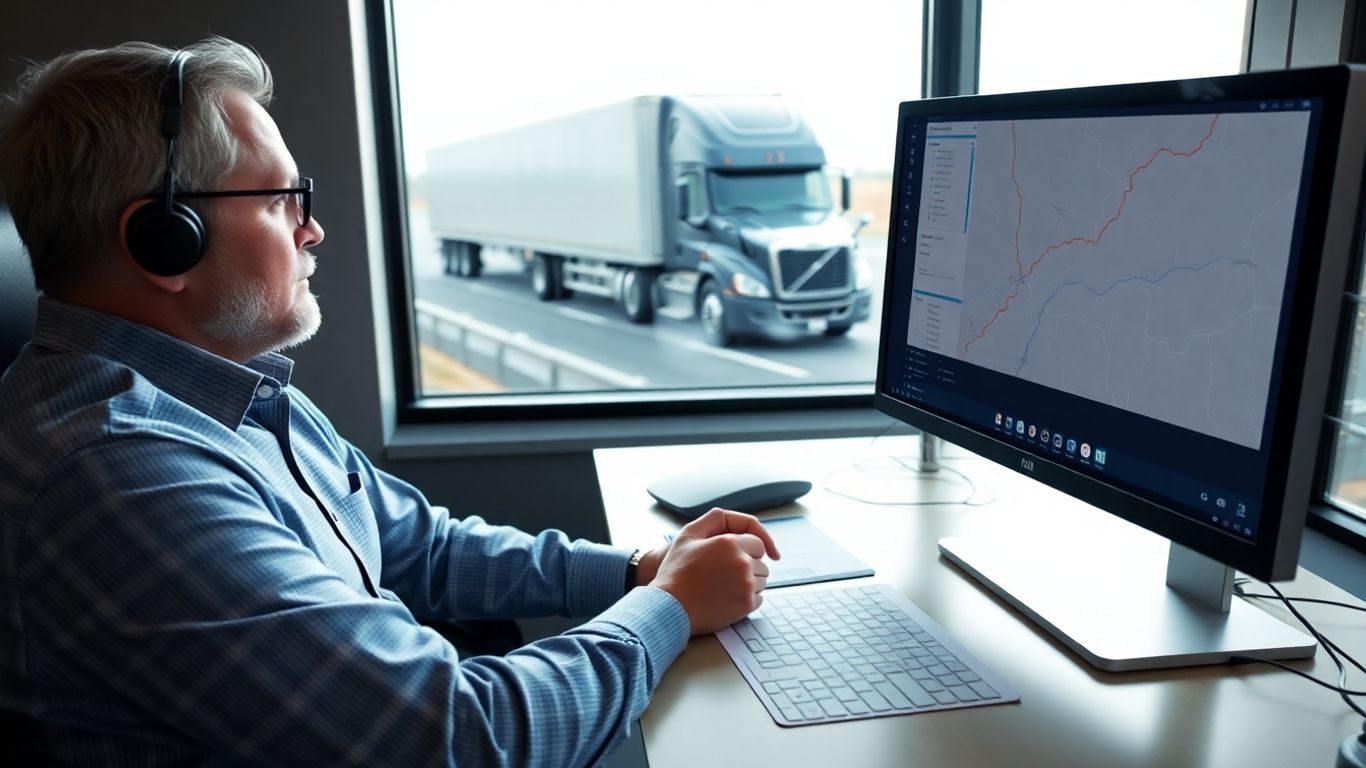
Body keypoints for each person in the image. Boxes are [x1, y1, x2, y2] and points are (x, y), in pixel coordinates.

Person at [0, 37, 779, 766]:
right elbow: (460, 739)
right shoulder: (115, 474)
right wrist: (671, 608)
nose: (313, 230)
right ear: (165, 239)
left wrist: (634, 572)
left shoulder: (232, 390)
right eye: (281, 199)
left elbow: (419, 547)